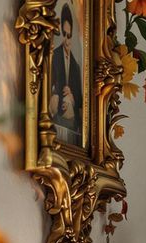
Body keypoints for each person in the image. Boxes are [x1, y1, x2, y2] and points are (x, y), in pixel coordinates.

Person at [50, 4, 82, 144]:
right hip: (55, 124)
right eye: (64, 34)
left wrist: (72, 97)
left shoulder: (75, 66)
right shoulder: (54, 56)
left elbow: (81, 102)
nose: (67, 40)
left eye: (69, 35)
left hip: (72, 127)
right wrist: (55, 94)